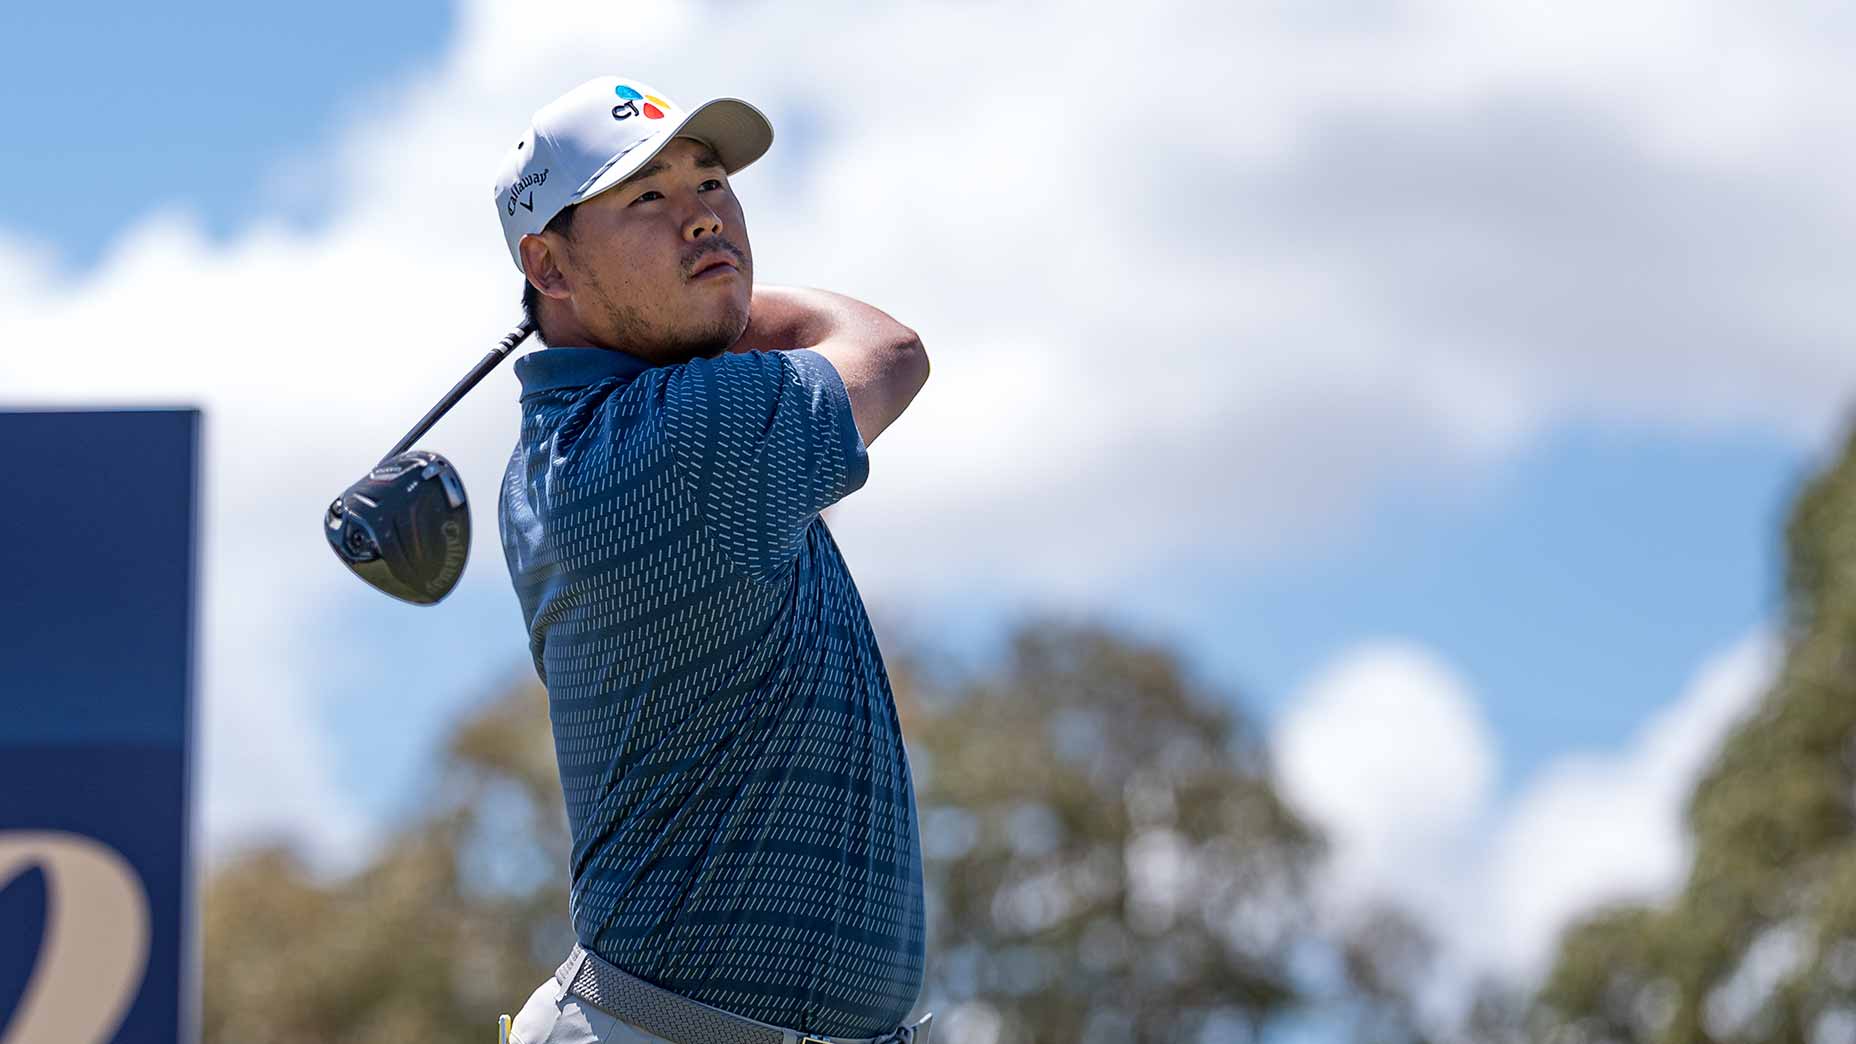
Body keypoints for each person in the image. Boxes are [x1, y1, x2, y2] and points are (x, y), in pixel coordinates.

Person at [490, 76, 935, 1044]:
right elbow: (885, 348)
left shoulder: (582, 442)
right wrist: (730, 300)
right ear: (549, 267)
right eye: (647, 199)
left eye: (712, 187)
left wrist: (700, 297)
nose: (702, 221)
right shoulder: (678, 443)